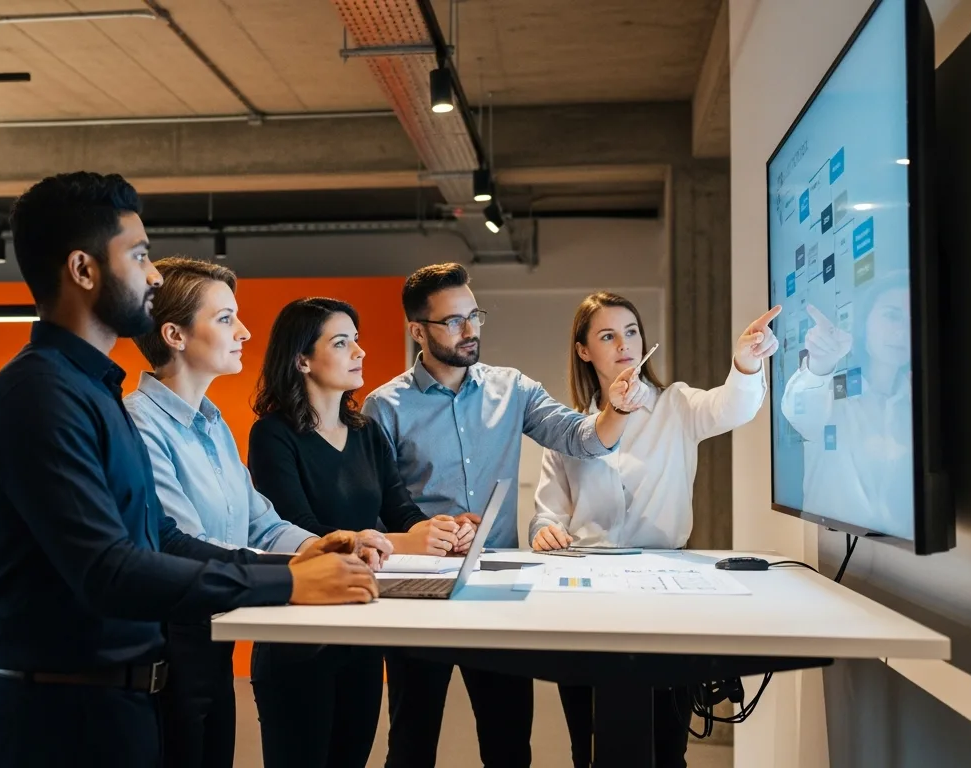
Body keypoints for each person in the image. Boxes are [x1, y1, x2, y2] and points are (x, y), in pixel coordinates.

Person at [0, 171, 383, 768]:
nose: (155, 275)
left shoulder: (93, 392)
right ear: (83, 270)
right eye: (139, 256)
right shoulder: (41, 396)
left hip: (120, 703)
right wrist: (290, 584)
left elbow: (161, 537)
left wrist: (296, 561)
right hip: (61, 719)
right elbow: (108, 570)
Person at [361, 263, 643, 768]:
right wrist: (423, 533)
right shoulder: (385, 407)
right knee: (411, 744)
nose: (470, 330)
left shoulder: (513, 389)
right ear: (417, 331)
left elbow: (579, 437)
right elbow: (377, 505)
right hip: (418, 593)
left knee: (509, 744)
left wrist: (616, 411)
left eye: (474, 316)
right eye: (454, 321)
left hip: (495, 588)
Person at [124, 258, 394, 768]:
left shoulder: (212, 425)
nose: (245, 332)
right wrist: (298, 571)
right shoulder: (139, 425)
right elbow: (179, 543)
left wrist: (323, 544)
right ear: (175, 335)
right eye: (226, 318)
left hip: (216, 639)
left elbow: (261, 523)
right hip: (170, 647)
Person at [528, 291, 780, 768]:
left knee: (667, 749)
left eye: (631, 332)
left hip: (666, 590)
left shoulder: (675, 405)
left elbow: (732, 407)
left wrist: (746, 363)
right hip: (587, 593)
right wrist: (544, 531)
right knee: (589, 746)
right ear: (584, 350)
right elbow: (548, 514)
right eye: (607, 336)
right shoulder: (569, 428)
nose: (624, 344)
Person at [245, 297, 465, 768]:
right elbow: (296, 529)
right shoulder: (273, 435)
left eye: (357, 340)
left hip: (361, 627)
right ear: (302, 360)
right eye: (342, 342)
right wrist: (397, 542)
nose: (360, 352)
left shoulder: (365, 431)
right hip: (299, 637)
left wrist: (437, 531)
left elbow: (400, 509)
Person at [781, 271, 911, 537]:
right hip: (831, 545)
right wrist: (820, 364)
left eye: (914, 320)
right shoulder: (833, 390)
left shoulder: (916, 401)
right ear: (864, 323)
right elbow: (799, 411)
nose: (903, 331)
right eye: (892, 315)